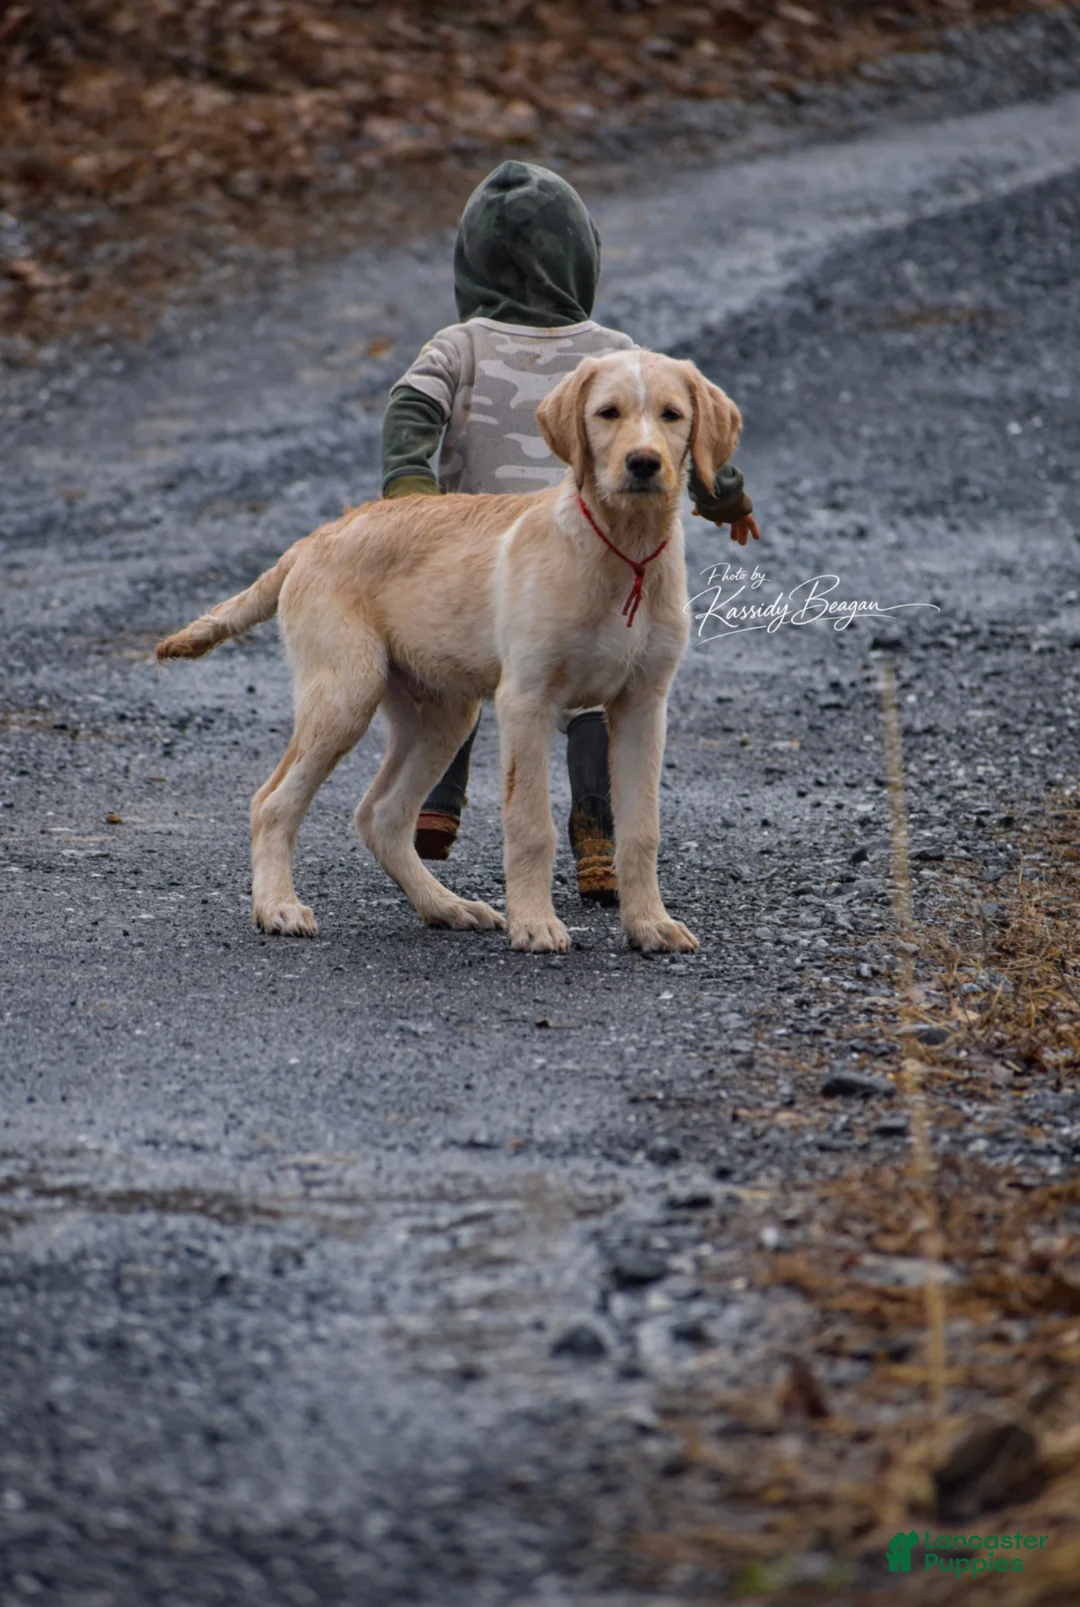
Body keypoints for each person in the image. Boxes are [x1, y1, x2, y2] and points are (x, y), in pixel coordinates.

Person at [380, 160, 758, 902]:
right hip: (482, 549)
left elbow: (686, 429)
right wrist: (409, 497)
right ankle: (487, 811)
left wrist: (408, 485)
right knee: (493, 673)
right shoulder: (596, 348)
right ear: (583, 256)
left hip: (580, 541)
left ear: (471, 260)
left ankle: (548, 824)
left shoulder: (493, 346)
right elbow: (411, 408)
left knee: (491, 671)